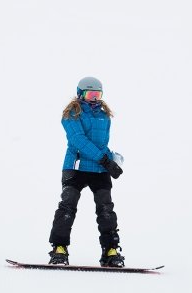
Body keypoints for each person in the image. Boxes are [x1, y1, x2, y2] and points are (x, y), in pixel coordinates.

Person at [48, 77, 125, 267]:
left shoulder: (104, 115)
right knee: (67, 206)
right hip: (75, 167)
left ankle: (111, 251)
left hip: (99, 169)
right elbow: (78, 140)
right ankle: (59, 249)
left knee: (106, 208)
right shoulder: (72, 113)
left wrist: (113, 161)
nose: (94, 98)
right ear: (80, 94)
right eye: (90, 94)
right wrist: (103, 159)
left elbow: (101, 144)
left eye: (97, 94)